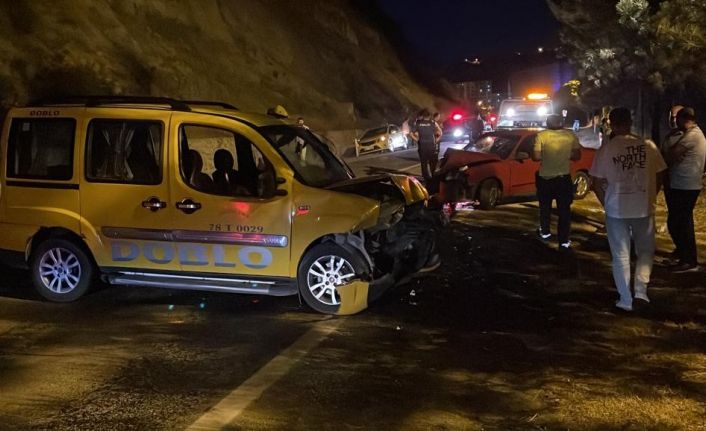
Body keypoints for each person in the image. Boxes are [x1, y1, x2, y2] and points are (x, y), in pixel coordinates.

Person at [589, 107, 667, 311]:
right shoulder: (648, 145)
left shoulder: (605, 150)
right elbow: (660, 174)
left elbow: (596, 182)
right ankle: (641, 291)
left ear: (611, 124)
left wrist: (605, 202)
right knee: (646, 251)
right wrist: (651, 195)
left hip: (616, 209)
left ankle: (625, 299)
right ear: (630, 123)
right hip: (643, 207)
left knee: (621, 255)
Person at [663, 107, 706, 272]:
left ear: (683, 119)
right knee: (680, 222)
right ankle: (684, 256)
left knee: (679, 223)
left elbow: (670, 154)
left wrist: (671, 153)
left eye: (677, 119)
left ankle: (689, 260)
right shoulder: (691, 134)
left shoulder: (692, 136)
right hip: (682, 185)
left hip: (686, 186)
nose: (675, 123)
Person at [532, 114, 581, 249]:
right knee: (564, 211)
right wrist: (565, 155)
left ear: (547, 123)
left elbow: (536, 157)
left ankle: (545, 233)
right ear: (562, 123)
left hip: (545, 178)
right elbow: (577, 156)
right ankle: (564, 241)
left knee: (545, 207)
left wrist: (546, 155)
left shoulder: (541, 135)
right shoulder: (570, 136)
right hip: (563, 179)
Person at [411, 109, 439, 182]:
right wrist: (436, 140)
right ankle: (434, 176)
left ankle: (426, 178)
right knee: (432, 163)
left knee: (424, 163)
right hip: (431, 145)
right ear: (429, 116)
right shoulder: (432, 123)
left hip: (422, 146)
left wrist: (417, 140)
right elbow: (439, 132)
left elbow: (411, 134)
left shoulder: (418, 123)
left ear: (423, 116)